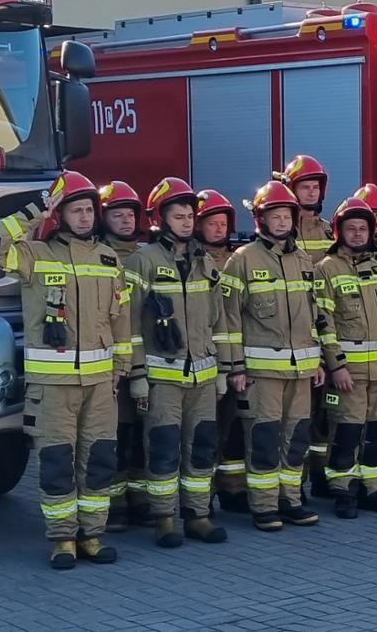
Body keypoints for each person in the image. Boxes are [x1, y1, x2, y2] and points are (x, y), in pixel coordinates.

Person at [0, 171, 132, 568]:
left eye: (89, 210)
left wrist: (121, 366)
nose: (84, 217)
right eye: (75, 210)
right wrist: (34, 211)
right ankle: (63, 539)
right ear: (59, 215)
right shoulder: (34, 255)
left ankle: (92, 536)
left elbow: (121, 321)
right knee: (58, 462)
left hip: (99, 384)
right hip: (52, 385)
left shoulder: (109, 259)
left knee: (98, 460)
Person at [121, 177, 230, 548]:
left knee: (201, 448)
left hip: (203, 374)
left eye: (189, 216)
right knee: (164, 448)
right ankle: (164, 519)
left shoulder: (205, 262)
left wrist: (222, 370)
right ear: (160, 219)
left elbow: (219, 321)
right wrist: (137, 374)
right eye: (179, 216)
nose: (186, 222)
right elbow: (130, 323)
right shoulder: (143, 261)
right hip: (162, 378)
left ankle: (198, 515)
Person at [219, 180, 327, 531]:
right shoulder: (242, 260)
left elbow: (315, 315)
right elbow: (229, 318)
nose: (281, 222)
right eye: (274, 216)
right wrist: (234, 367)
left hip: (301, 369)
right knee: (264, 438)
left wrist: (319, 361)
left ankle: (290, 499)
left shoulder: (303, 259)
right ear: (260, 220)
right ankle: (264, 505)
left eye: (286, 216)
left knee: (295, 439)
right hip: (260, 373)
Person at [312, 196, 377, 519]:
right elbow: (324, 323)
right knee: (346, 433)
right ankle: (343, 490)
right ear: (338, 231)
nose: (357, 234)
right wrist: (336, 366)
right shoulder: (326, 269)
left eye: (362, 228)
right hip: (348, 372)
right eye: (350, 229)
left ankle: (373, 488)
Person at [272, 155, 335, 494]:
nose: (311, 193)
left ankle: (321, 477)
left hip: (327, 328)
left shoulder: (329, 229)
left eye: (315, 187)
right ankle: (294, 484)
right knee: (294, 418)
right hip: (294, 334)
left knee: (323, 414)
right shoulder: (282, 229)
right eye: (304, 187)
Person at [96, 180, 151, 530]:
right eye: (118, 215)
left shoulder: (149, 256)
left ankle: (142, 504)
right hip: (114, 363)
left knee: (142, 436)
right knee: (117, 433)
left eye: (130, 214)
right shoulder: (100, 257)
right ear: (105, 219)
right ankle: (114, 507)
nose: (127, 220)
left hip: (149, 360)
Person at [196, 189, 252, 513]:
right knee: (206, 434)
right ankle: (201, 498)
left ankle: (231, 491)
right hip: (204, 363)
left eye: (223, 223)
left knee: (232, 431)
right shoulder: (192, 260)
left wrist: (236, 366)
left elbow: (237, 317)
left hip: (234, 363)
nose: (219, 229)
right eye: (212, 223)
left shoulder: (236, 259)